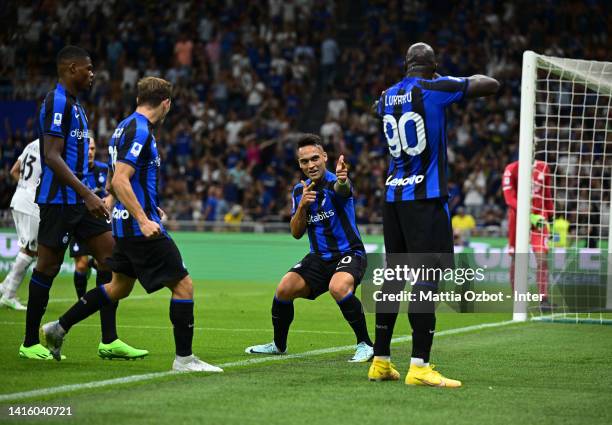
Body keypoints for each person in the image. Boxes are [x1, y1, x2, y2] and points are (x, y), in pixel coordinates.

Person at [41, 77, 223, 373]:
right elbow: (122, 178)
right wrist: (143, 217)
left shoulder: (124, 126)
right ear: (166, 104)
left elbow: (116, 178)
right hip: (140, 229)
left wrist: (119, 204)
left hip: (125, 227)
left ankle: (58, 328)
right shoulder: (140, 131)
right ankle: (185, 359)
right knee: (183, 286)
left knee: (118, 287)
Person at [369, 42, 499, 387]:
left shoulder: (386, 96)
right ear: (433, 65)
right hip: (424, 199)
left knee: (394, 277)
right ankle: (419, 366)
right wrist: (444, 79)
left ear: (405, 64)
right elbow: (489, 84)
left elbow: (375, 108)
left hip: (393, 197)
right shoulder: (435, 87)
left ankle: (380, 362)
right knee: (427, 277)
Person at [20, 45, 146, 361]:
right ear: (71, 68)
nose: (92, 74)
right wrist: (88, 193)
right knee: (46, 268)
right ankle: (28, 342)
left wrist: (87, 194)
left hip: (79, 201)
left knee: (112, 260)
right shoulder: (57, 101)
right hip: (58, 202)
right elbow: (51, 156)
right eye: (87, 68)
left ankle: (109, 340)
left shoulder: (76, 106)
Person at [245, 134, 374, 363]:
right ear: (299, 164)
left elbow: (343, 189)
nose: (311, 165)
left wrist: (344, 180)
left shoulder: (336, 182)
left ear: (324, 157)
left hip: (349, 254)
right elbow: (296, 233)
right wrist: (302, 206)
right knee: (284, 288)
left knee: (338, 287)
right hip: (318, 258)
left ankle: (365, 343)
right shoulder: (299, 191)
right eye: (305, 161)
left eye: (315, 158)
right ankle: (278, 345)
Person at [502, 159, 553, 309]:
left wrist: (551, 215)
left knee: (542, 258)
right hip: (517, 219)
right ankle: (518, 299)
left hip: (539, 220)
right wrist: (527, 213)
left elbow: (547, 193)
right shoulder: (511, 169)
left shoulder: (543, 167)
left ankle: (543, 300)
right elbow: (509, 198)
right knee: (517, 258)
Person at [69, 138, 113, 298]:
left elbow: (113, 188)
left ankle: (99, 299)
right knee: (80, 265)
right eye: (87, 148)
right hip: (78, 221)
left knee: (103, 263)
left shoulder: (104, 169)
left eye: (93, 149)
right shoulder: (71, 170)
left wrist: (110, 198)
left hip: (99, 223)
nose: (90, 152)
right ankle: (81, 299)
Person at [0, 139, 41, 311]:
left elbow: (14, 171)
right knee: (30, 250)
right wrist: (33, 192)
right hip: (31, 203)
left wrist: (25, 188)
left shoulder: (32, 144)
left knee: (29, 249)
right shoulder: (51, 145)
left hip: (18, 198)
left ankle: (4, 288)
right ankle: (8, 296)